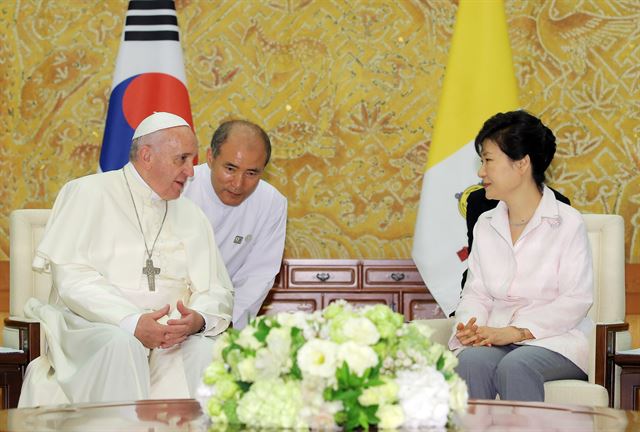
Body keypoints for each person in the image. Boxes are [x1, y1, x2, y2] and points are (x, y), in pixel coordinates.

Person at [18, 112, 234, 407]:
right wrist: (131, 322)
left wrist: (197, 320)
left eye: (191, 160)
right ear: (146, 155)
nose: (191, 172)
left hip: (169, 336)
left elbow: (215, 289)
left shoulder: (191, 214)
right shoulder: (87, 193)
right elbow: (73, 279)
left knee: (206, 353)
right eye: (181, 159)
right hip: (92, 326)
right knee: (121, 344)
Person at [449, 110, 593, 402]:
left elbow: (575, 300)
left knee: (515, 367)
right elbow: (475, 293)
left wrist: (515, 332)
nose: (481, 172)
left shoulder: (568, 222)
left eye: (488, 160)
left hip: (556, 340)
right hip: (498, 337)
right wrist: (472, 329)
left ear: (522, 163)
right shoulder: (486, 224)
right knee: (470, 362)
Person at [182, 120, 287, 329]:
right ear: (210, 158)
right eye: (230, 168)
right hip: (165, 308)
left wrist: (223, 326)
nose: (238, 184)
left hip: (218, 317)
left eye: (251, 173)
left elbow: (257, 276)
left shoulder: (271, 203)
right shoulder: (180, 186)